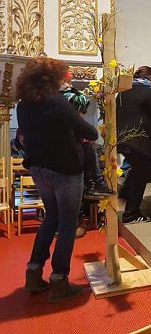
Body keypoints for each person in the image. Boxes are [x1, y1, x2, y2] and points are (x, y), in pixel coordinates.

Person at [17, 56, 98, 303]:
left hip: (39, 169)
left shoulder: (23, 105)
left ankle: (33, 273)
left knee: (50, 218)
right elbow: (90, 132)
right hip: (65, 170)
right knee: (67, 224)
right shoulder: (57, 102)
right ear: (52, 78)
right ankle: (59, 280)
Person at [117, 66, 151, 223]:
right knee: (141, 176)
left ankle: (125, 194)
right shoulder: (149, 92)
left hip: (123, 139)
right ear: (150, 77)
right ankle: (131, 214)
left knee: (136, 170)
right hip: (143, 141)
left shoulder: (122, 93)